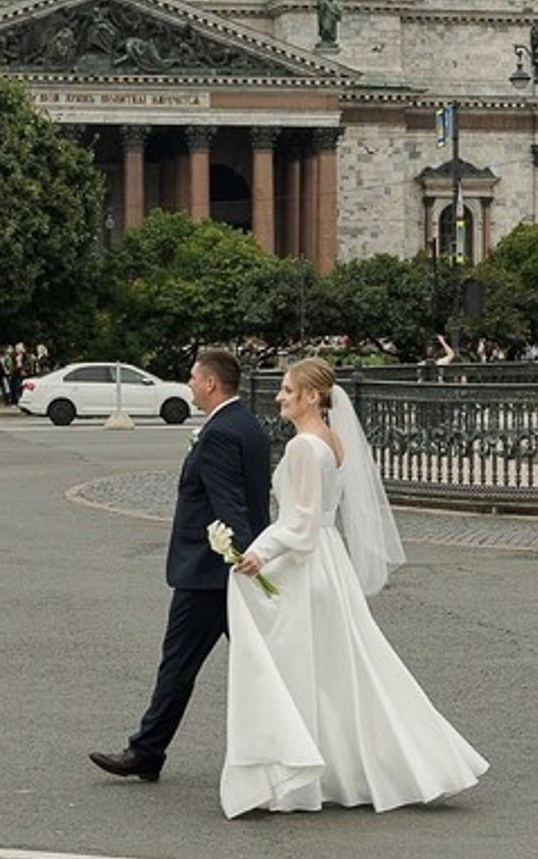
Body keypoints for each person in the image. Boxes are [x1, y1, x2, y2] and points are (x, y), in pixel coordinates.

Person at [220, 357, 487, 815]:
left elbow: (300, 523)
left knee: (299, 668)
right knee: (341, 670)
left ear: (310, 396)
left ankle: (300, 769)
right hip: (330, 561)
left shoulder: (305, 446)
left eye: (287, 389)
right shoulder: (333, 441)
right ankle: (356, 764)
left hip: (307, 564)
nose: (280, 396)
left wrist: (259, 553)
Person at [90, 347, 270, 783]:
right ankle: (151, 748)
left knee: (180, 663)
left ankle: (147, 750)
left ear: (210, 383)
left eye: (193, 377)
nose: (189, 383)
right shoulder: (248, 425)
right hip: (228, 570)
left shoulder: (220, 433)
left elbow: (230, 504)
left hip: (211, 573)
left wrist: (242, 556)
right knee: (263, 664)